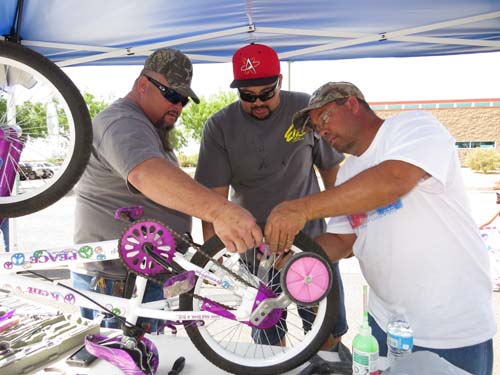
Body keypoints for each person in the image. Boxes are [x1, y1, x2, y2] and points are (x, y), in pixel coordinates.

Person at [264, 82, 496, 374]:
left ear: (352, 104)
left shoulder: (413, 127)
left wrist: (302, 208)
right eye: (316, 130)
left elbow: (394, 180)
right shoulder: (349, 171)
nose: (322, 133)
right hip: (383, 326)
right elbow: (343, 239)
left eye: (323, 119)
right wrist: (297, 257)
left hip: (449, 328)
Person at [71, 48, 262, 332]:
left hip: (143, 279)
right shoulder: (122, 123)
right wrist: (223, 211)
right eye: (171, 95)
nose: (178, 105)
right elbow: (145, 174)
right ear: (143, 85)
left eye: (183, 100)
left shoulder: (149, 130)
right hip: (115, 284)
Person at [195, 43, 348, 349]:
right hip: (254, 256)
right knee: (267, 343)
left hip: (312, 249)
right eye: (248, 96)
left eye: (266, 93)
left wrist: (344, 231)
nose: (258, 103)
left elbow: (334, 176)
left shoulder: (306, 111)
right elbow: (212, 202)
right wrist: (215, 261)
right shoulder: (219, 126)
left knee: (326, 335)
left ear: (280, 80)